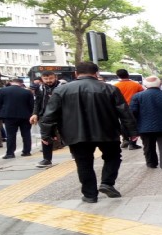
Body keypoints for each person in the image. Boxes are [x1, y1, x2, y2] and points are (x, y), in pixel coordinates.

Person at [40, 61, 139, 203]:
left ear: (76, 74)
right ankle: (107, 183)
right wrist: (132, 131)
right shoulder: (109, 89)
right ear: (96, 73)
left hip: (75, 133)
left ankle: (90, 195)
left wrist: (46, 134)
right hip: (107, 131)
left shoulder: (61, 90)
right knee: (113, 157)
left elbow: (49, 115)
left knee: (83, 163)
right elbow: (124, 112)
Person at [130, 76, 162, 173]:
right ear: (160, 84)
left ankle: (151, 163)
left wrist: (135, 126)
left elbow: (133, 112)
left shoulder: (137, 96)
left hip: (145, 126)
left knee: (148, 146)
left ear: (145, 85)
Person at [30, 71, 62, 167]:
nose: (48, 81)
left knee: (67, 134)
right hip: (45, 116)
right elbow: (37, 102)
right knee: (45, 137)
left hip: (61, 115)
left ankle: (75, 154)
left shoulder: (62, 87)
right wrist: (35, 114)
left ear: (55, 77)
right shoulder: (40, 88)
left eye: (51, 78)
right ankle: (47, 159)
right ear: (42, 79)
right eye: (46, 79)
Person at [0, 78, 33, 159]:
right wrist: (32, 115)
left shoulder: (3, 91)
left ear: (11, 83)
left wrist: (0, 115)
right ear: (21, 83)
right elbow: (31, 105)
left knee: (11, 135)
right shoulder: (27, 92)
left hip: (9, 116)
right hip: (25, 116)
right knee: (26, 134)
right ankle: (26, 151)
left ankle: (10, 153)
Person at [113, 68, 143, 150]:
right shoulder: (136, 85)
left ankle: (125, 140)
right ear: (128, 74)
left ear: (118, 76)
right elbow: (142, 95)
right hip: (133, 107)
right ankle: (132, 143)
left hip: (120, 108)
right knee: (134, 125)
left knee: (123, 124)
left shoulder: (115, 86)